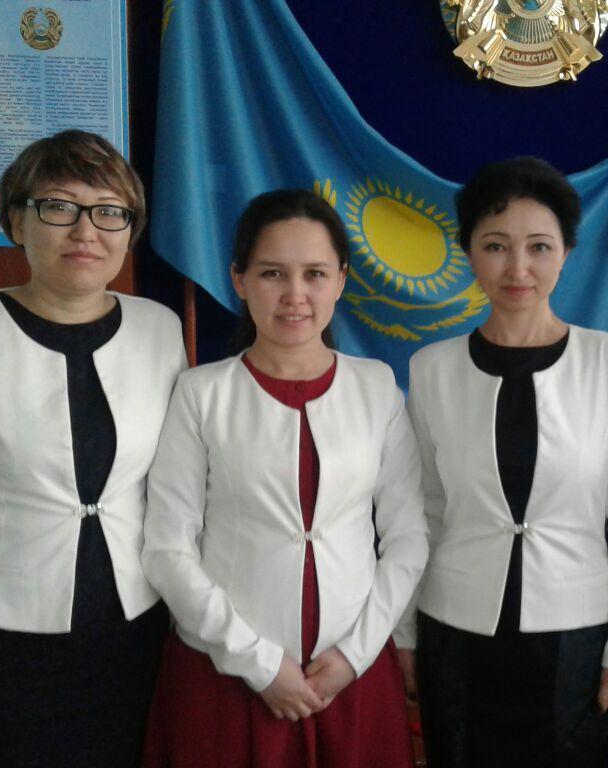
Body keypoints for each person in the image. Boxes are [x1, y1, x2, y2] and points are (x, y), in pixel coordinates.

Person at [0, 130, 188, 766]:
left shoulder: (159, 329)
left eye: (109, 212)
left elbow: (174, 489)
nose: (85, 231)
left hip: (133, 639)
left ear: (130, 230)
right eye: (58, 206)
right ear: (16, 221)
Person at [140, 189, 428, 767]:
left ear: (341, 281)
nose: (295, 295)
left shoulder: (377, 388)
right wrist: (259, 664)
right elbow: (167, 549)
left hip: (349, 677)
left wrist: (355, 655)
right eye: (272, 273)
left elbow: (408, 539)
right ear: (239, 280)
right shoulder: (201, 394)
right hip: (227, 679)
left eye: (315, 274)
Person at [398, 157, 608, 767]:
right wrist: (404, 633)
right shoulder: (432, 369)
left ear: (566, 252)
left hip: (575, 638)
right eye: (495, 246)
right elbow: (422, 514)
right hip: (456, 635)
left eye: (539, 247)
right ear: (468, 252)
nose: (517, 268)